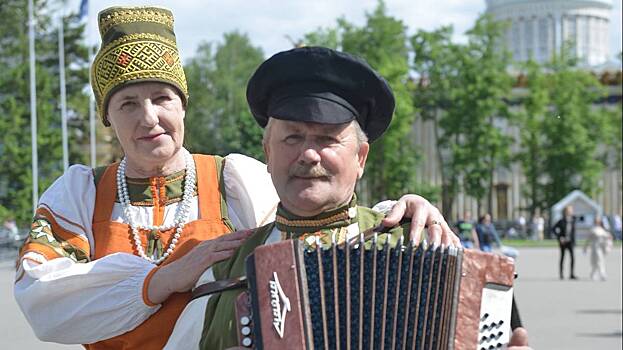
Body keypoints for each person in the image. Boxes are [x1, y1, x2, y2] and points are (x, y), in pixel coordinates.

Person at [13, 6, 457, 349]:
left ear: (183, 105)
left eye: (162, 98)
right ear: (107, 117)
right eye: (127, 103)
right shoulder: (81, 192)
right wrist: (162, 279)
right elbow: (44, 302)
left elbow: (307, 222)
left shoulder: (234, 179)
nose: (149, 118)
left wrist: (398, 215)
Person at [166, 46, 530, 350]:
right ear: (267, 153)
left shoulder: (418, 244)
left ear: (360, 158)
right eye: (292, 138)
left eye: (327, 139)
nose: (309, 155)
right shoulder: (224, 268)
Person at [583, 216, 612, 281]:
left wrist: (609, 245)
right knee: (598, 260)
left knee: (597, 261)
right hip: (595, 247)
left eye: (598, 221)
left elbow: (608, 238)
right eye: (596, 221)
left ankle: (593, 273)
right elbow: (588, 240)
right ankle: (602, 274)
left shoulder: (603, 229)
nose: (597, 222)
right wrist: (585, 248)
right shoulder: (593, 229)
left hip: (602, 247)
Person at [552, 205, 577, 280]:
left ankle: (572, 274)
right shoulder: (561, 221)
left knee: (572, 257)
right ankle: (561, 274)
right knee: (562, 257)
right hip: (563, 242)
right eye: (568, 210)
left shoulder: (573, 220)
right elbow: (553, 229)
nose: (570, 212)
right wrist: (560, 237)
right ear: (565, 212)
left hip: (570, 242)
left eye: (571, 210)